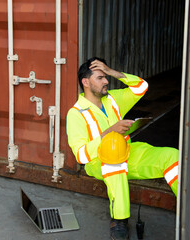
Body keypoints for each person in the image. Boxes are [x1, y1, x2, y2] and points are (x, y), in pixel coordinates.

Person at [66, 57, 179, 240]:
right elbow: (81, 155)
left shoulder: (113, 99)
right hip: (98, 161)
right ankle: (119, 220)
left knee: (172, 156)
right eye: (100, 78)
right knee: (113, 150)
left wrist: (112, 71)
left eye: (106, 76)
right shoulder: (76, 114)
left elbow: (141, 87)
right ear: (85, 82)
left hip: (127, 152)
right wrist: (110, 132)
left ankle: (189, 210)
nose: (106, 81)